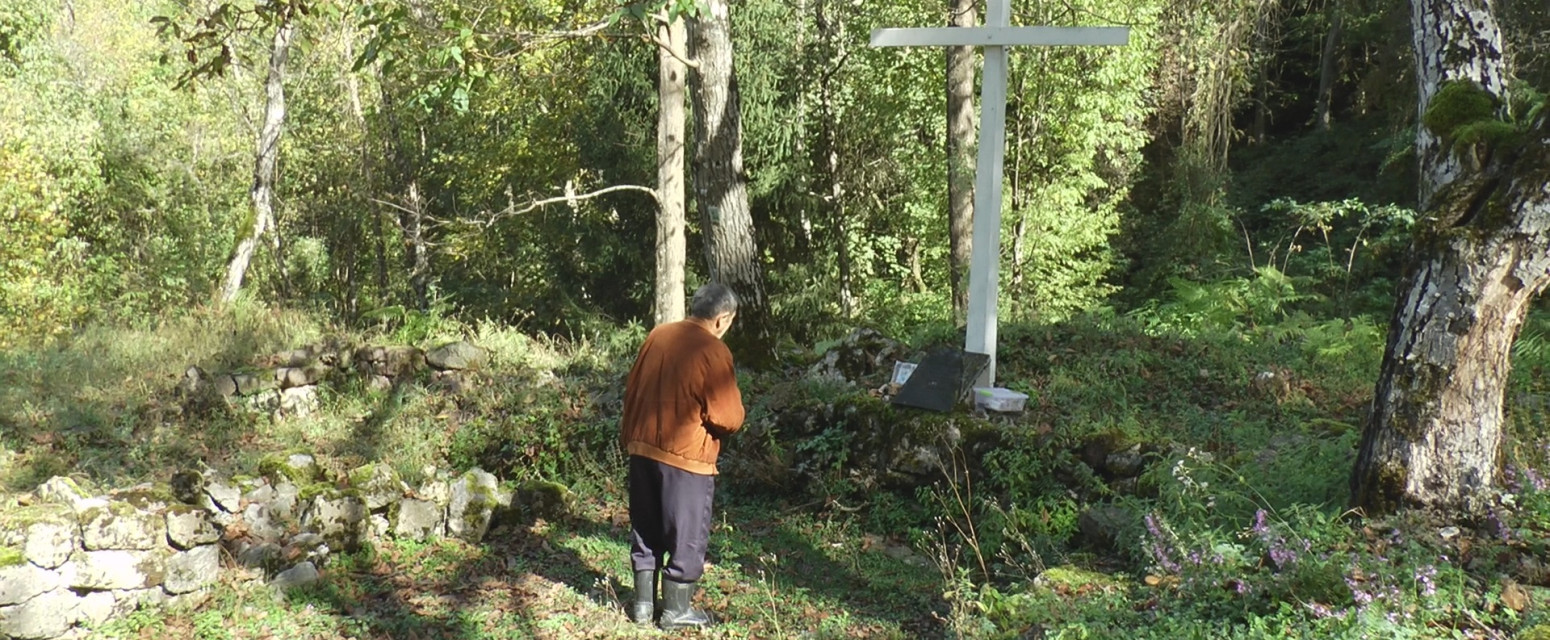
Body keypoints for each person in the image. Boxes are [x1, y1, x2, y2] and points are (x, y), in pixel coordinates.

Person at [620, 283, 745, 629]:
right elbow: (729, 417)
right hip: (686, 457)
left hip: (642, 448)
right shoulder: (713, 350)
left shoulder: (658, 336)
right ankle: (676, 611)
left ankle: (643, 607)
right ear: (721, 320)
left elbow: (631, 390)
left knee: (646, 528)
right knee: (686, 533)